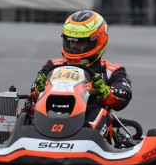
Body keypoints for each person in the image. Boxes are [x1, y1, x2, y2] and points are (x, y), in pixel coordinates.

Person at [29, 10, 132, 142]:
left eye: (80, 42)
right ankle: (32, 132)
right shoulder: (52, 65)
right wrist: (39, 87)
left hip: (88, 124)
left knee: (100, 112)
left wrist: (105, 92)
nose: (73, 46)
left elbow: (124, 96)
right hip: (48, 118)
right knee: (27, 112)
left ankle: (89, 139)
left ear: (97, 41)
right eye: (70, 41)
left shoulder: (112, 70)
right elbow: (34, 91)